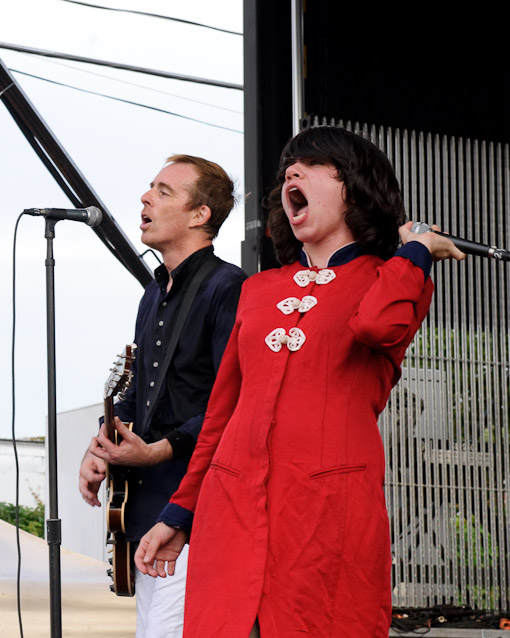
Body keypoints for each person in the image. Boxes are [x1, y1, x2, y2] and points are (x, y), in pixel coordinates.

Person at [133, 126, 465, 638]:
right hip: (231, 513)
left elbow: (378, 325)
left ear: (355, 187)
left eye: (313, 165)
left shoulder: (393, 279)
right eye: (289, 167)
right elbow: (223, 414)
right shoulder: (260, 289)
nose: (292, 172)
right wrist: (179, 513)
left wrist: (416, 250)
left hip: (324, 517)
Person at [78, 154, 247, 638]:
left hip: (195, 509)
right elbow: (138, 395)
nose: (145, 197)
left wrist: (158, 450)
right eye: (150, 187)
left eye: (164, 191)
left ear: (200, 215)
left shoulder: (227, 286)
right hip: (148, 509)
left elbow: (229, 401)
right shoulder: (153, 293)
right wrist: (100, 446)